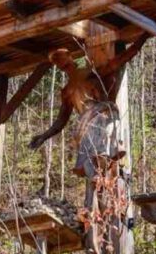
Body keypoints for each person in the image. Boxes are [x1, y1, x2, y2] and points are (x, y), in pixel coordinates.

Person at [28, 35, 147, 177]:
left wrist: (142, 38)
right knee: (89, 165)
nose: (58, 61)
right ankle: (98, 182)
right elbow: (61, 121)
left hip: (102, 117)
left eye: (59, 56)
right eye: (55, 60)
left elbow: (119, 61)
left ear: (69, 55)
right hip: (85, 124)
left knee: (105, 153)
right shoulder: (66, 91)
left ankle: (112, 166)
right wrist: (44, 136)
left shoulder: (91, 72)